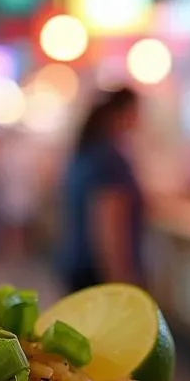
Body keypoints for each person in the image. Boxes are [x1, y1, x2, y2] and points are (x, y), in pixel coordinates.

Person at [59, 87, 145, 292]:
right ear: (124, 113)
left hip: (77, 263)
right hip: (97, 273)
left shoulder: (87, 150)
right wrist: (121, 281)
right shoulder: (109, 159)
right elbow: (108, 226)